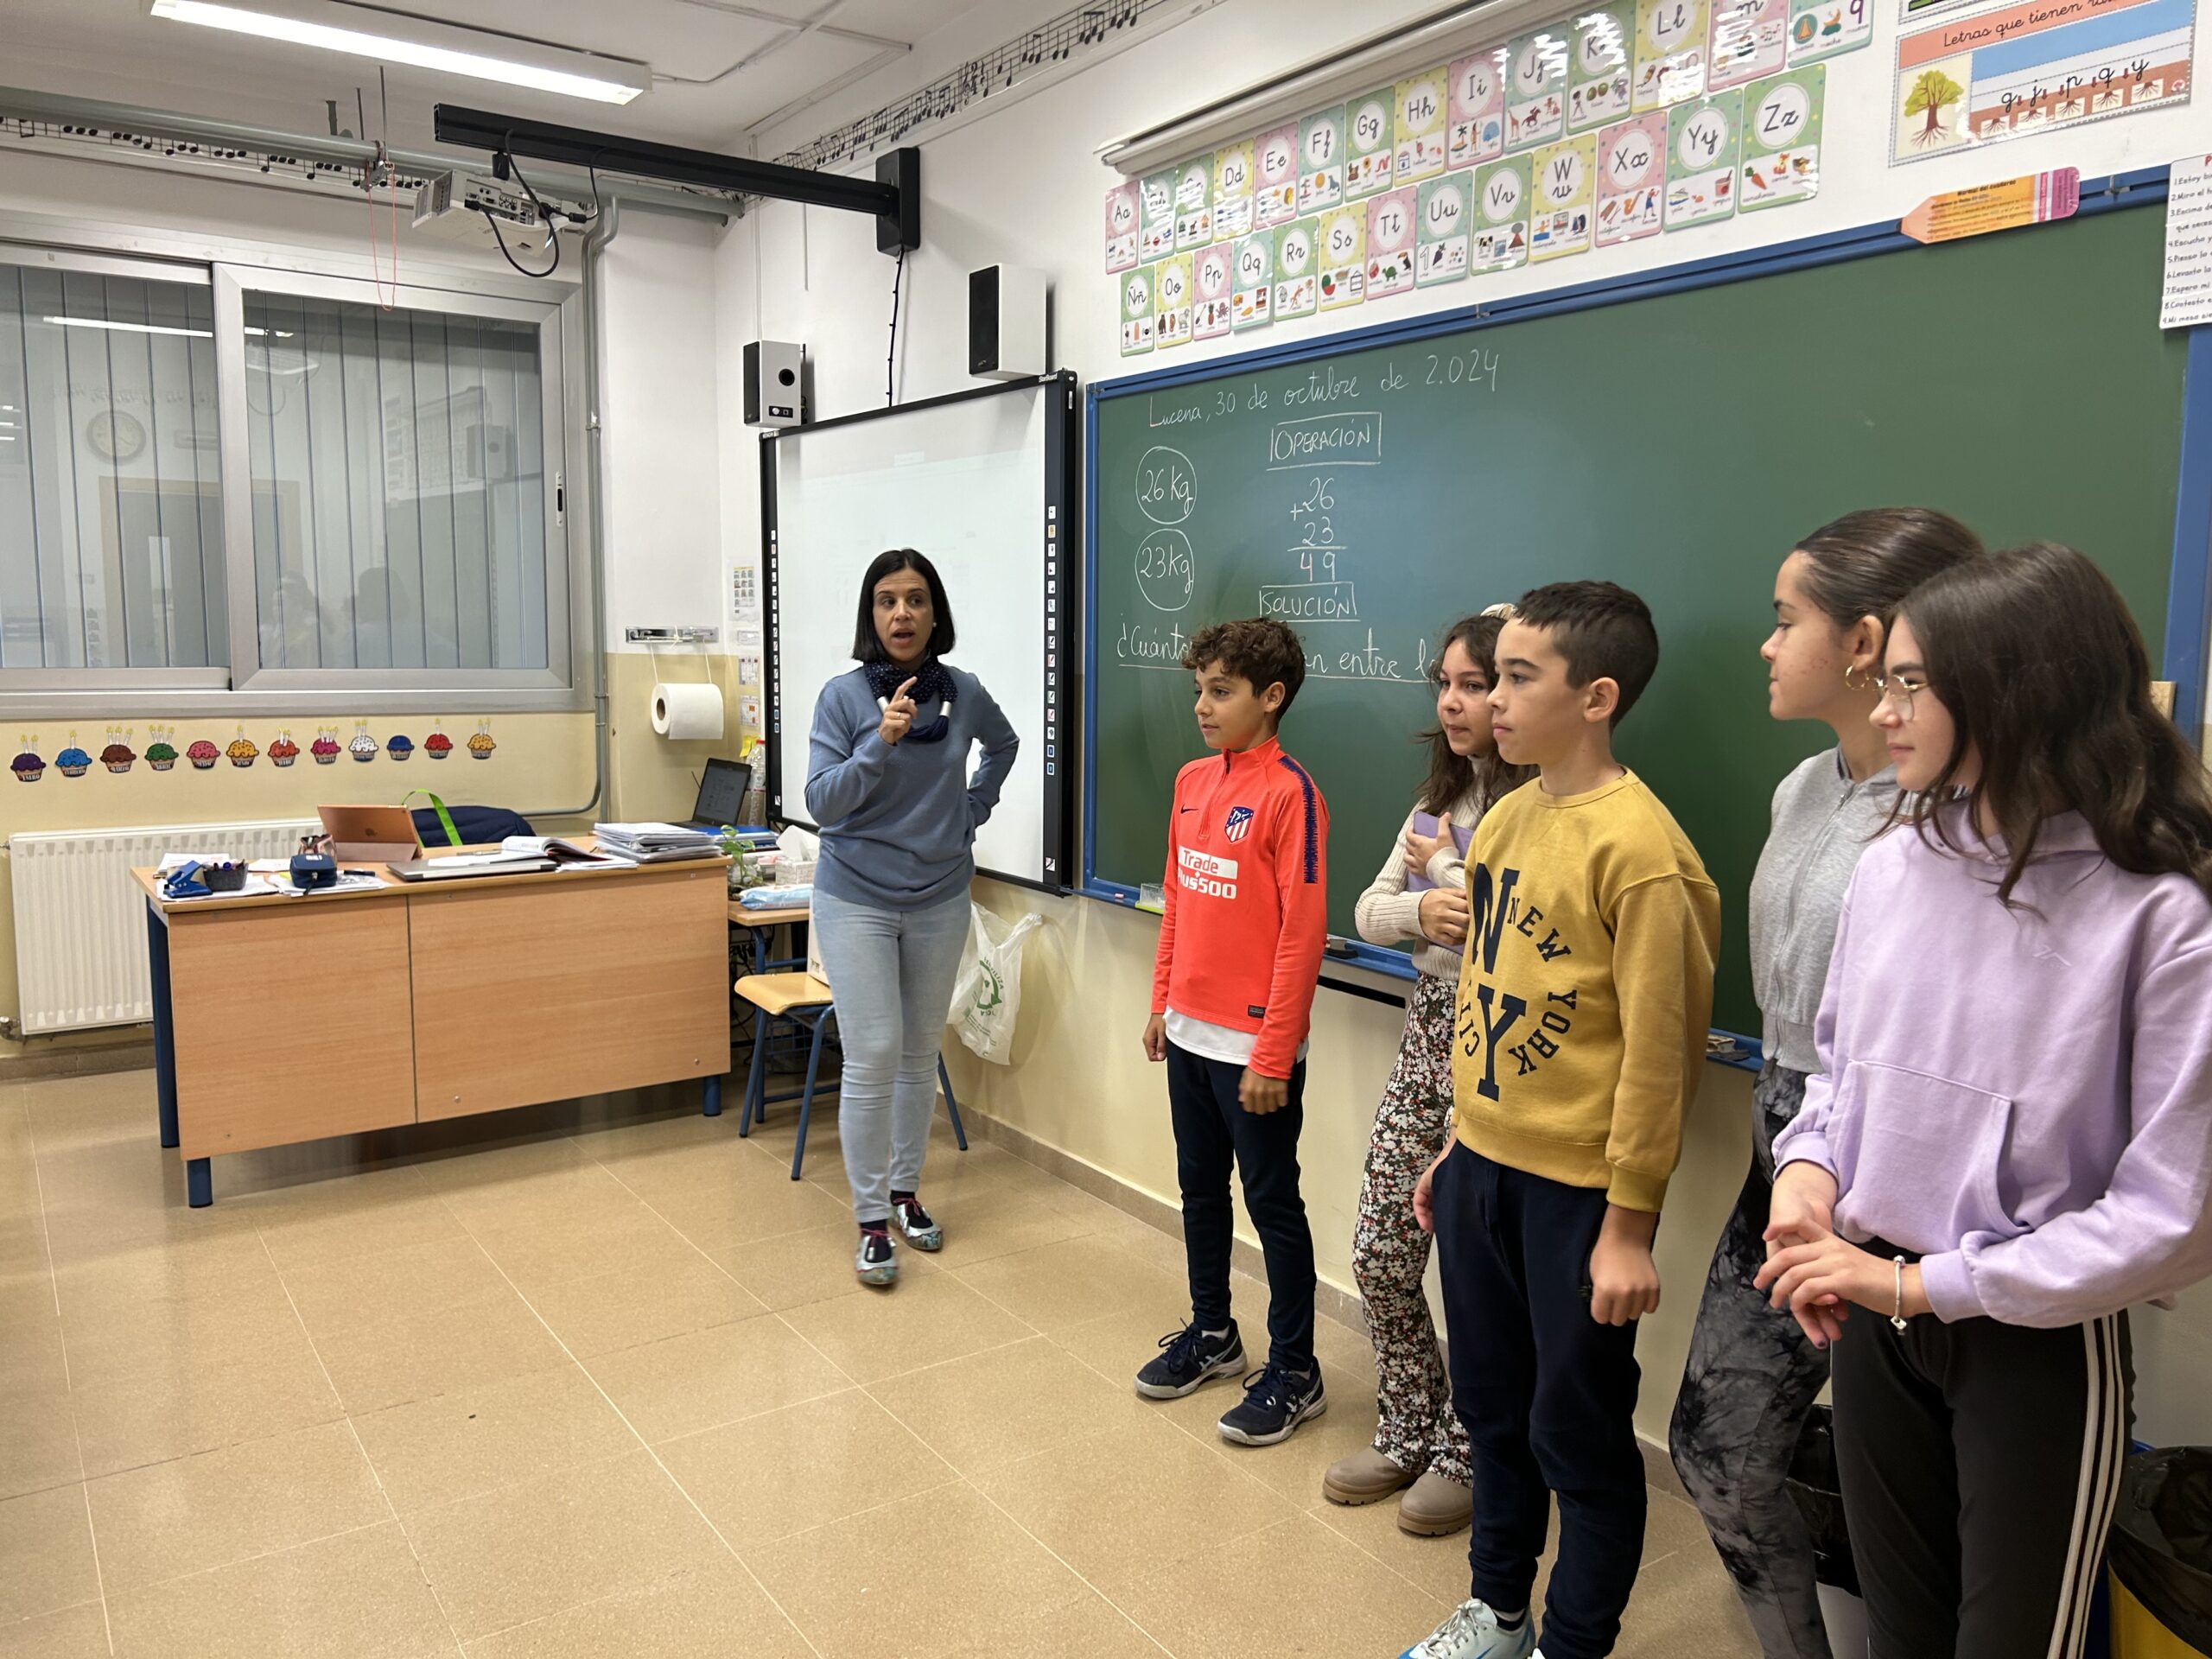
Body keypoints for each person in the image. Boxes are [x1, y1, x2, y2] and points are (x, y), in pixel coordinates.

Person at [1758, 542, 2212, 1659]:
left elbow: (2172, 1216)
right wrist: (1809, 1173)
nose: (1885, 709)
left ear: (2019, 690)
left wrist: (1921, 1285)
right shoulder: (1894, 865)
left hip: (2030, 1340)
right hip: (1871, 1315)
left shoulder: (2160, 911)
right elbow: (1840, 1072)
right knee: (1900, 1633)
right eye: (1888, 680)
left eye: (1913, 683)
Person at [1669, 508, 1981, 1658]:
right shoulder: (1802, 788)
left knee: (1923, 1491)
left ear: (1862, 643)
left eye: (1783, 619)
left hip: (1899, 1167)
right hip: (1786, 1138)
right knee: (1716, 1449)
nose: (1765, 644)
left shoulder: (1960, 812)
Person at [1397, 581, 1719, 1659]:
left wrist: (1627, 1226)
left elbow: (1660, 1061)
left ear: (1596, 697)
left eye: (1518, 678)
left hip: (1579, 1196)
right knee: (1491, 1413)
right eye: (1493, 678)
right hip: (1481, 1169)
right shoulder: (1505, 820)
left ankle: (1570, 1645)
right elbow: (1485, 995)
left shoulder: (1642, 853)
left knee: (1572, 1433)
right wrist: (1458, 1141)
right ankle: (1496, 1610)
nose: (1492, 700)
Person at [1326, 607, 1532, 1537]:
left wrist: (1453, 885)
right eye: (1444, 684)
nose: (1453, 702)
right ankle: (1409, 1422)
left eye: (1475, 684)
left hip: (1504, 1049)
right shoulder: (1437, 802)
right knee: (1380, 1251)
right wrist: (1423, 914)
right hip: (1426, 1035)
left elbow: (1536, 946)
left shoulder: (1545, 810)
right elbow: (1369, 910)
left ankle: (1469, 1448)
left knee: (1479, 1274)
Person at [1135, 616, 1332, 1447]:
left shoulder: (1292, 794)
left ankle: (1297, 1368)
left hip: (1254, 1050)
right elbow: (1180, 897)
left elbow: (1303, 934)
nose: (1203, 706)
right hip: (1189, 1031)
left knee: (1272, 1202)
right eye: (1199, 691)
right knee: (1199, 1189)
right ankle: (1214, 1332)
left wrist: (1274, 1052)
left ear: (1271, 696)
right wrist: (1162, 1000)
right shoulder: (1190, 780)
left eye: (1221, 691)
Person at [804, 549, 1019, 1287]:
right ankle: (871, 1220)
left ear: (935, 614)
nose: (903, 613)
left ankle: (904, 1192)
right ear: (871, 615)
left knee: (920, 1050)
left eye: (917, 600)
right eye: (888, 601)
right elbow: (823, 802)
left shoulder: (963, 693)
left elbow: (1005, 745)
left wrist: (972, 809)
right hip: (855, 895)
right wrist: (880, 742)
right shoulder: (844, 698)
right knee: (873, 1051)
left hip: (939, 893)